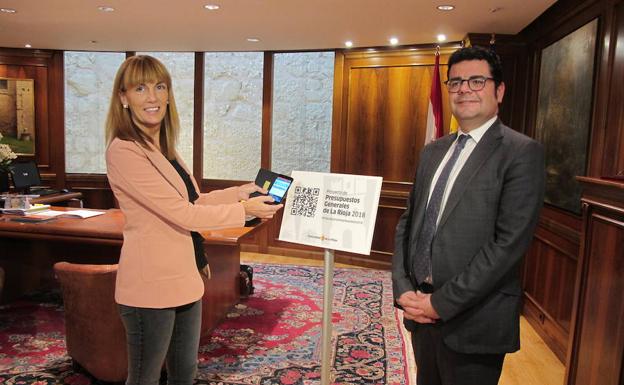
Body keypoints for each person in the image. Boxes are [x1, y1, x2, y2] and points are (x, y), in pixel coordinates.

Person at [105, 55, 282, 385]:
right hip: (150, 287)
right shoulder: (124, 150)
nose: (153, 97)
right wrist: (245, 212)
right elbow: (183, 214)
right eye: (140, 88)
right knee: (144, 378)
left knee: (184, 373)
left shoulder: (163, 148)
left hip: (185, 278)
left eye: (160, 87)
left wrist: (238, 193)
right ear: (123, 98)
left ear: (169, 95)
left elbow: (192, 201)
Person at [392, 46, 545, 385]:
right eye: (456, 82)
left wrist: (440, 303)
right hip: (420, 313)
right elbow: (409, 221)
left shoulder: (521, 153)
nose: (464, 89)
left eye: (477, 81)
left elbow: (507, 246)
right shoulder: (433, 151)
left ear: (499, 91)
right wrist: (403, 288)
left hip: (474, 320)